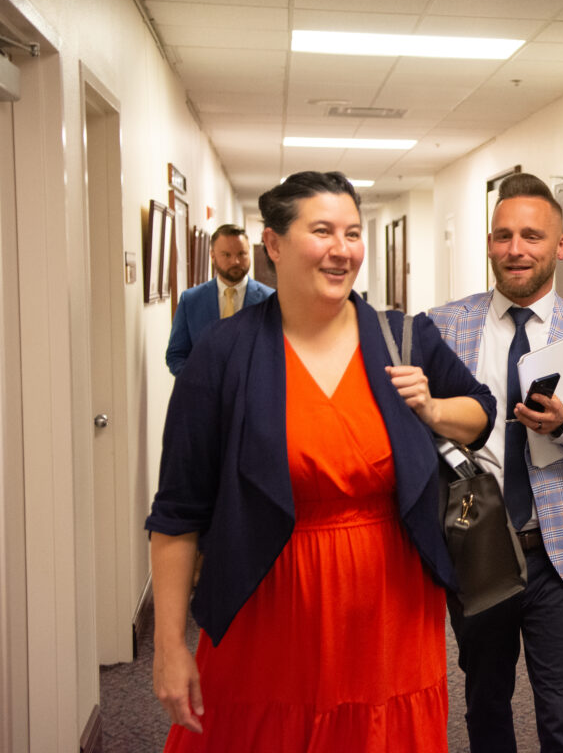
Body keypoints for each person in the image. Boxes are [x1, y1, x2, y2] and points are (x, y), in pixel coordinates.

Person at [145, 171, 496, 750]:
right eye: (323, 231)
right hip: (268, 603)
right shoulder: (222, 357)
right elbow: (177, 512)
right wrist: (168, 645)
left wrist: (431, 408)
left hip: (390, 610)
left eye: (353, 233)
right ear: (274, 244)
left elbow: (480, 412)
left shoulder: (402, 338)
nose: (342, 249)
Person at [428, 172, 563, 752]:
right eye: (503, 236)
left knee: (562, 714)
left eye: (531, 236)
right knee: (486, 703)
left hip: (556, 553)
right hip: (477, 545)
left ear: (560, 245)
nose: (515, 250)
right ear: (489, 243)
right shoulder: (444, 326)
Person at [165, 224, 274, 376]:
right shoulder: (190, 301)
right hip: (203, 396)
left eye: (241, 254)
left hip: (255, 396)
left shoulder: (270, 300)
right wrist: (196, 382)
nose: (235, 261)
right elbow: (176, 355)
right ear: (212, 255)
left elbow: (279, 353)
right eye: (227, 255)